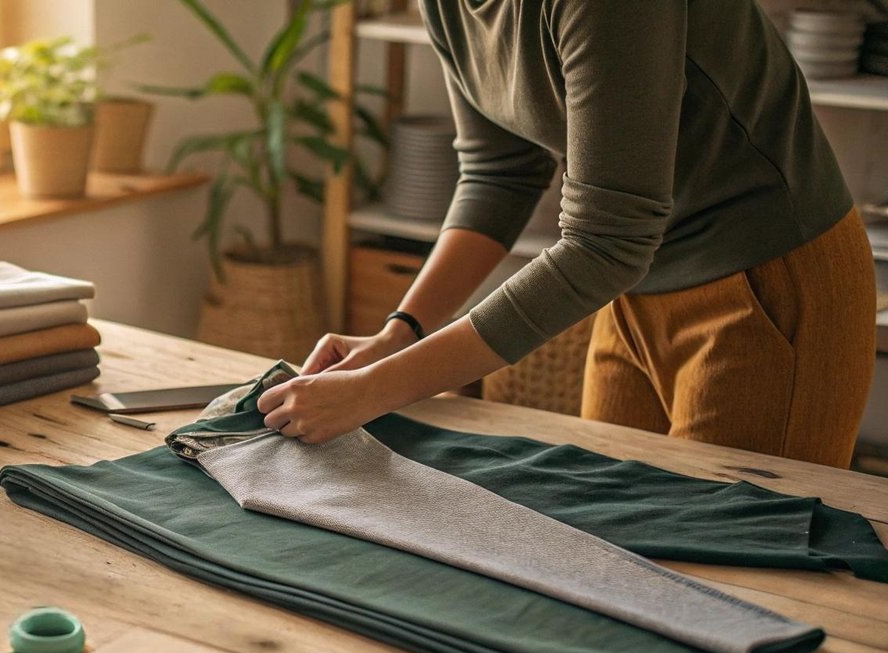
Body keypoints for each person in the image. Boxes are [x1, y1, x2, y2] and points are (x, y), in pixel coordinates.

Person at [259, 0, 877, 469]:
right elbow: (498, 174)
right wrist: (399, 334)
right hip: (631, 288)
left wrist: (375, 389)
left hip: (767, 277)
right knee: (613, 542)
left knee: (737, 565)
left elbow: (606, 240)